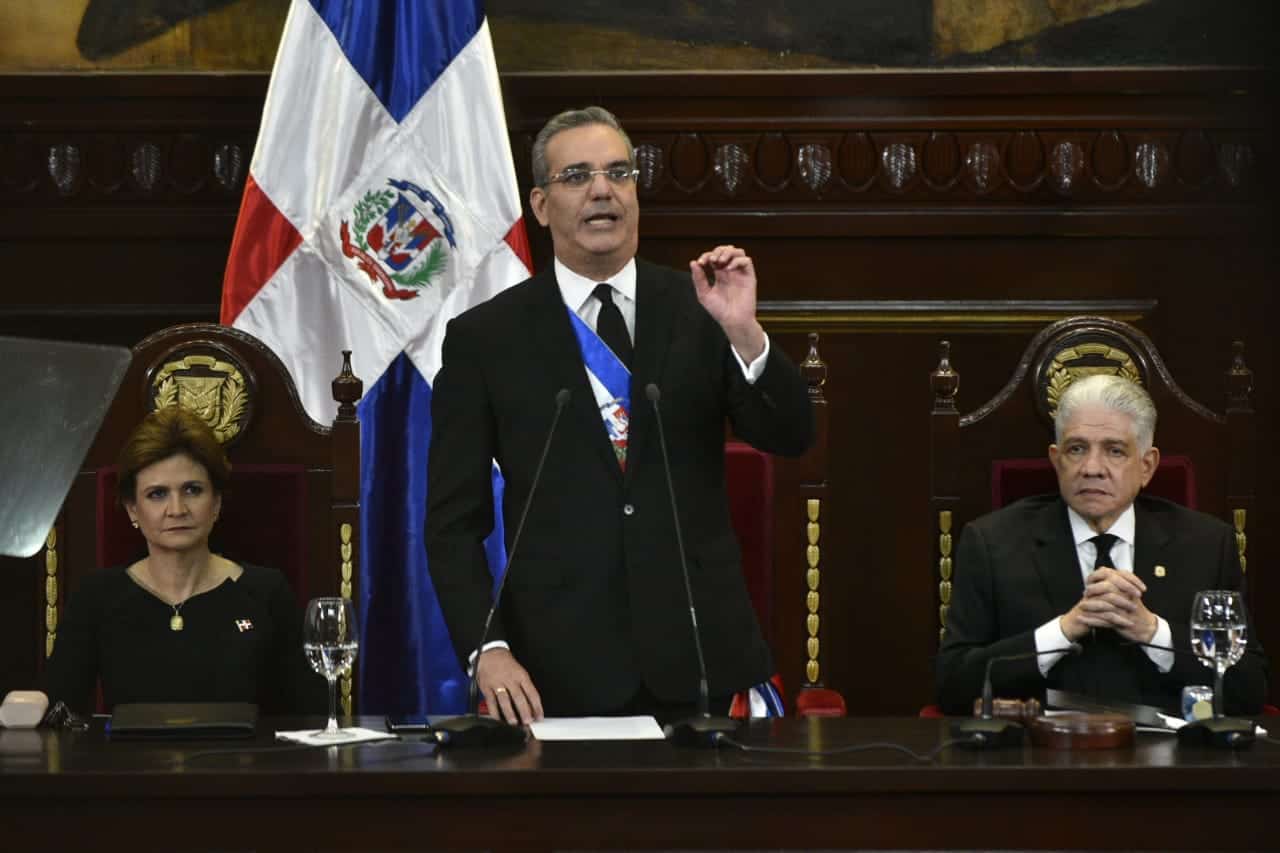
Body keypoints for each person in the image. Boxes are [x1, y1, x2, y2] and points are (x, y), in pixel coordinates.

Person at [425, 105, 813, 724]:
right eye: (576, 175)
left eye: (618, 172)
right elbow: (451, 524)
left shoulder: (701, 308)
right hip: (556, 670)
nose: (602, 189)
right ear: (541, 204)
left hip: (702, 657)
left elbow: (791, 436)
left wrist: (745, 334)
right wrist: (487, 648)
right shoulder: (486, 339)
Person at [936, 374, 1267, 716]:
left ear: (1147, 466)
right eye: (1076, 449)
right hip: (1040, 753)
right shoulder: (992, 543)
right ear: (1056, 459)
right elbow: (952, 686)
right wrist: (1062, 632)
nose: (1092, 468)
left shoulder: (1206, 545)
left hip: (1170, 758)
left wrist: (1154, 633)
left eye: (1115, 450)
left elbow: (1249, 687)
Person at [44, 406, 324, 715]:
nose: (177, 509)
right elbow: (59, 715)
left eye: (192, 490)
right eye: (157, 494)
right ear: (132, 509)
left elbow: (314, 719)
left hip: (243, 762)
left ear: (216, 502)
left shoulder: (267, 593)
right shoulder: (96, 597)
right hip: (128, 764)